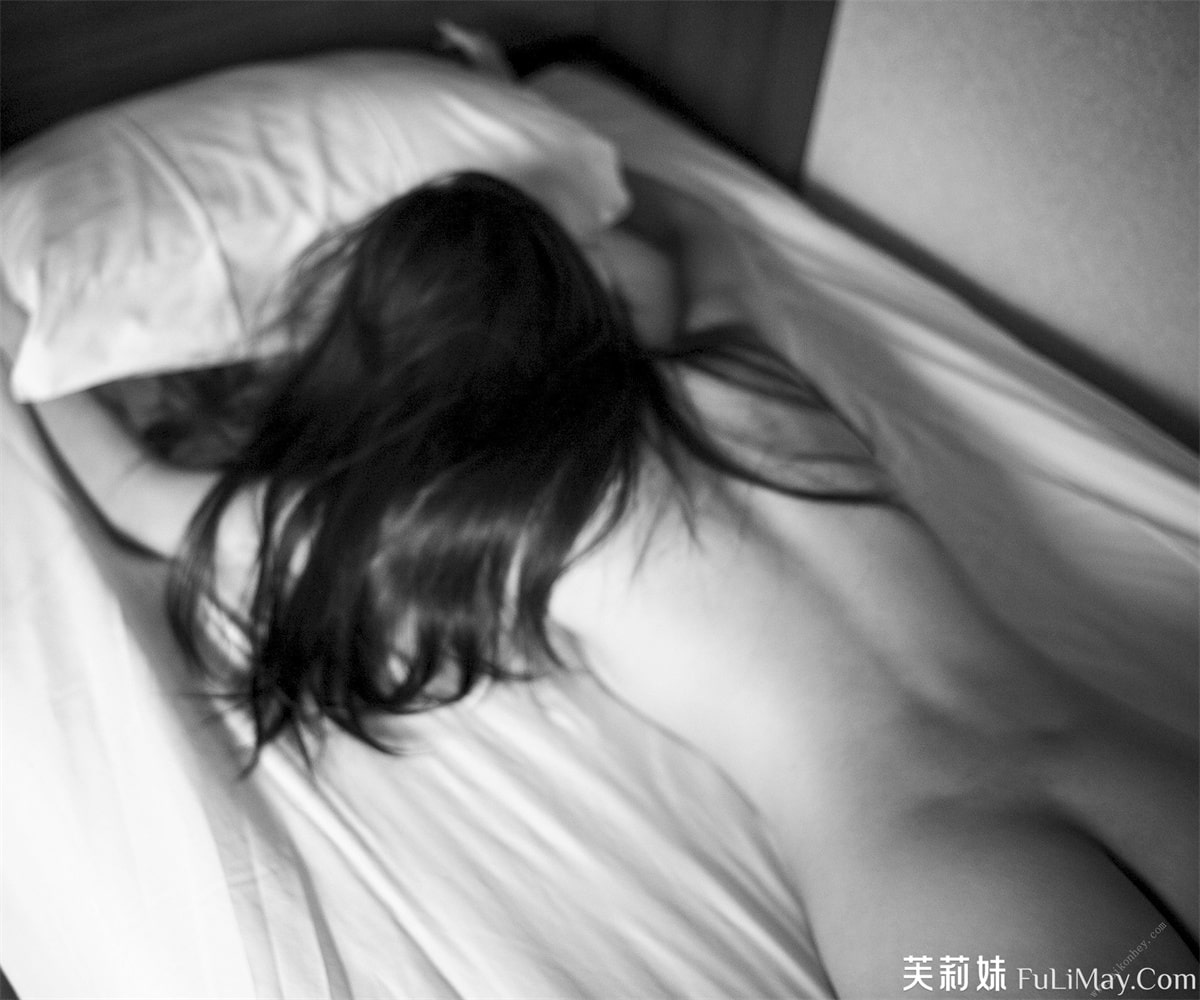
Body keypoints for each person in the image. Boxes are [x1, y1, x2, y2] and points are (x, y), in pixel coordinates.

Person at [21, 171, 1198, 998]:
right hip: (1135, 758)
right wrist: (571, 148)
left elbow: (136, 494)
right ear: (581, 295)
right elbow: (701, 240)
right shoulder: (742, 372)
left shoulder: (474, 510)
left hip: (945, 866)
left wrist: (18, 334)